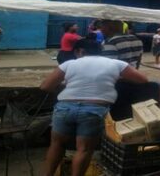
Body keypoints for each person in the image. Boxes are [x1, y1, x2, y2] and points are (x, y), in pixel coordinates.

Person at [41, 37, 148, 176]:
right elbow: (143, 80)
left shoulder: (69, 64)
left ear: (80, 51)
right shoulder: (116, 64)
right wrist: (118, 77)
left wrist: (66, 87)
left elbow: (45, 86)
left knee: (56, 145)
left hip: (64, 108)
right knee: (84, 149)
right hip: (93, 110)